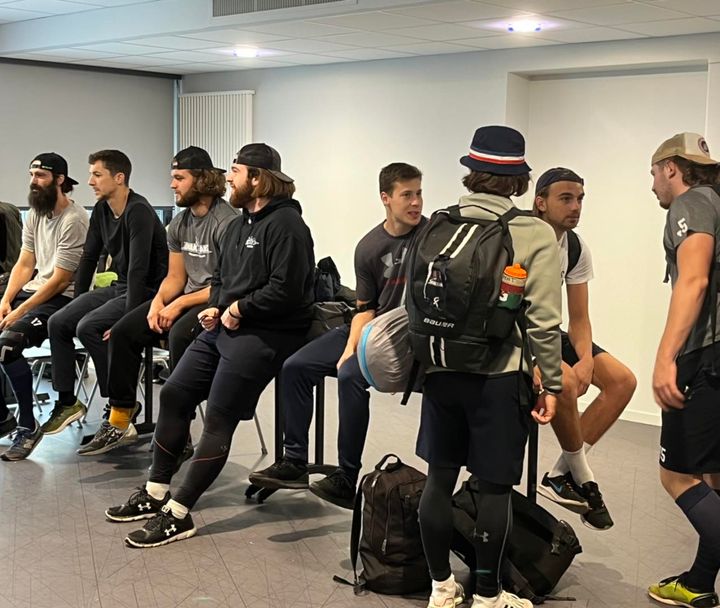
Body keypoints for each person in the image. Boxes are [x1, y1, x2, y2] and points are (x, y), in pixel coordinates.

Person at [106, 143, 315, 548]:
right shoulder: (238, 227)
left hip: (267, 334)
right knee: (174, 394)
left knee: (218, 417)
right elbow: (221, 281)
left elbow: (287, 291)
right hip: (227, 326)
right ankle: (155, 492)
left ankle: (179, 513)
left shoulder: (288, 226)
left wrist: (239, 308)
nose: (229, 179)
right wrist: (218, 307)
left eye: (235, 171)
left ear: (258, 178)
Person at [417, 126, 561, 608]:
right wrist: (552, 384)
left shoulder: (440, 222)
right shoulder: (533, 233)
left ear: (472, 172)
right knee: (495, 488)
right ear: (519, 181)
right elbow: (544, 321)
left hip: (440, 369)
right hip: (498, 376)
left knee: (439, 478)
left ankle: (440, 587)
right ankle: (487, 594)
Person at [248, 162, 424, 509]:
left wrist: (353, 358)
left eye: (419, 193)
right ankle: (294, 461)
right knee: (296, 367)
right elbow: (365, 309)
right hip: (373, 327)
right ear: (386, 198)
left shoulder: (433, 237)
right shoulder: (369, 246)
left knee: (350, 376)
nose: (416, 202)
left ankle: (346, 476)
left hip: (413, 336)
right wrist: (351, 347)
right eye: (407, 195)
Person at [77, 146, 237, 455]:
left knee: (179, 334)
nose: (172, 185)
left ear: (202, 180)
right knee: (123, 331)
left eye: (179, 178)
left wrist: (177, 305)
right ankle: (120, 418)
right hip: (186, 297)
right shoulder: (179, 223)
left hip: (215, 301)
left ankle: (180, 430)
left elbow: (226, 285)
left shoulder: (227, 222)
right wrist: (157, 304)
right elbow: (175, 277)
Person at [533, 167, 636, 531]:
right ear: (540, 202)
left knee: (622, 381)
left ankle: (560, 475)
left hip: (551, 330)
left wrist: (587, 360)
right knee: (563, 382)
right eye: (566, 199)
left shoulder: (575, 247)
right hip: (520, 333)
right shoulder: (521, 238)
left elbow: (579, 318)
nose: (575, 207)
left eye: (579, 199)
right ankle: (585, 478)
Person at [42, 150, 168, 436]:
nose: (90, 181)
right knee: (59, 321)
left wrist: (126, 320)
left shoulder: (139, 211)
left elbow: (138, 270)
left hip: (148, 291)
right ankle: (67, 402)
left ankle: (120, 404)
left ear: (119, 177)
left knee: (88, 327)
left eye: (97, 175)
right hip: (121, 285)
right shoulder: (101, 209)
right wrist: (76, 304)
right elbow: (89, 257)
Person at [647, 132, 720, 608]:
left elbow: (693, 281)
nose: (653, 184)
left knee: (677, 475)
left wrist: (665, 358)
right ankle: (698, 583)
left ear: (671, 168)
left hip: (706, 353)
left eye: (654, 173)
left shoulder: (690, 204)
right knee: (714, 475)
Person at [0, 153, 89, 461]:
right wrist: (6, 299)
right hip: (33, 292)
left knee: (8, 345)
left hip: (62, 299)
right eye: (31, 175)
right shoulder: (36, 214)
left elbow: (60, 281)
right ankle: (3, 419)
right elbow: (25, 263)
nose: (33, 181)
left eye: (40, 176)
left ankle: (27, 426)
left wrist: (19, 311)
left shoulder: (75, 219)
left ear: (60, 180)